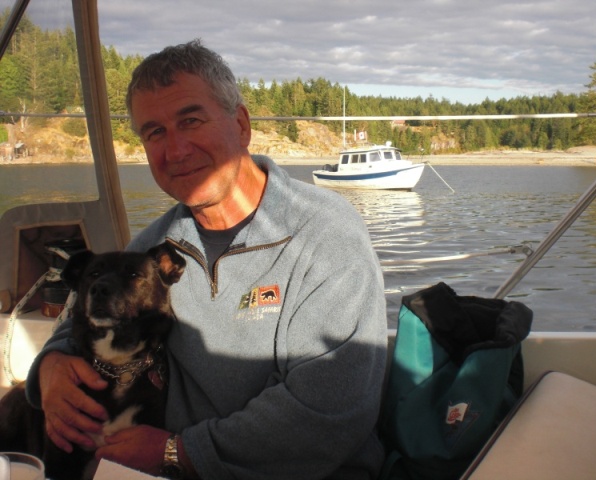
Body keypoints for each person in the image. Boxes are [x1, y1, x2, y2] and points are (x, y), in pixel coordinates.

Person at [25, 39, 388, 479]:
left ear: (241, 124)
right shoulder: (155, 246)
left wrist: (177, 451)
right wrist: (50, 366)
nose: (175, 150)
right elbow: (78, 317)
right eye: (154, 133)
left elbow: (328, 413)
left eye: (191, 121)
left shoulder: (325, 234)